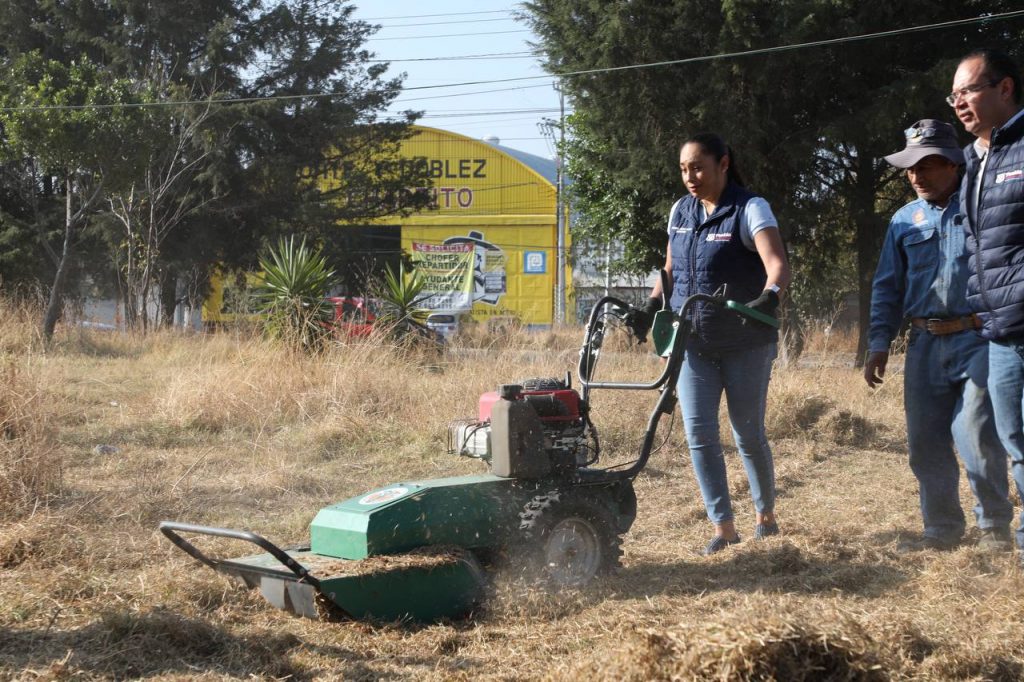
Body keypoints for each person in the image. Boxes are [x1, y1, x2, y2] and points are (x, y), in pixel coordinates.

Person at [637, 132, 790, 555]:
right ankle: (723, 527)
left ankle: (766, 518)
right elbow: (670, 268)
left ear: (724, 163)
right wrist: (649, 304)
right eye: (684, 169)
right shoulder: (681, 211)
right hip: (693, 341)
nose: (690, 176)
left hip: (746, 341)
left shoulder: (750, 208)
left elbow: (776, 263)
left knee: (747, 433)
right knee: (700, 434)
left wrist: (769, 294)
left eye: (698, 167)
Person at [864, 119, 1012, 552]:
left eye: (925, 165)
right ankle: (941, 530)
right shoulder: (903, 220)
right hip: (923, 343)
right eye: (909, 167)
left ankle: (994, 530)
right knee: (925, 443)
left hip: (977, 338)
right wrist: (878, 342)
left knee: (977, 436)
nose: (915, 175)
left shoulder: (982, 207)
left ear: (952, 162)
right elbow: (887, 286)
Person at [952, 47, 1024, 558]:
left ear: (1005, 88)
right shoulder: (974, 160)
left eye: (969, 90)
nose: (959, 103)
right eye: (953, 95)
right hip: (999, 330)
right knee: (1015, 442)